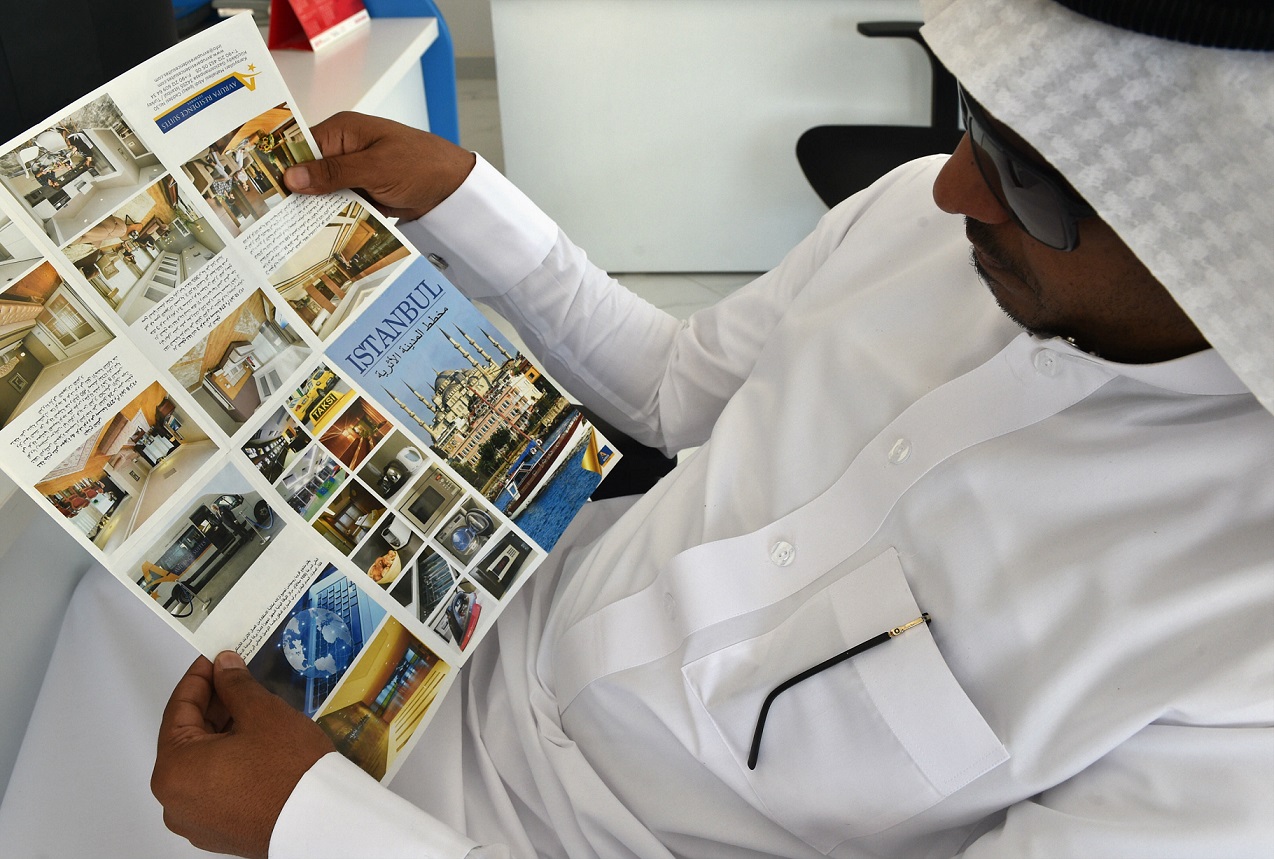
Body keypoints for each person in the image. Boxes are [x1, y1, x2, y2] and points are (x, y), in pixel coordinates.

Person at [3, 0, 1260, 856]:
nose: (949, 186)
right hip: (454, 617)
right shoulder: (923, 223)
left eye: (1034, 178)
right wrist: (467, 199)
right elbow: (671, 391)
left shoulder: (1236, 670)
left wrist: (318, 827)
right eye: (976, 124)